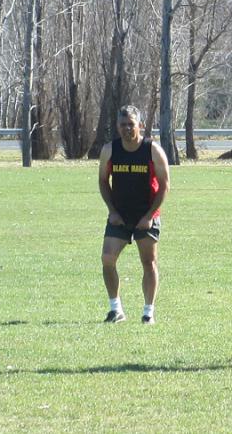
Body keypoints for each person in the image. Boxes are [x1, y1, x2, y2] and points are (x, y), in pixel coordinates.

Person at [98, 105, 170, 324]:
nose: (127, 129)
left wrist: (149, 216)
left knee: (149, 262)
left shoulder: (152, 150)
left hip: (146, 214)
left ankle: (148, 313)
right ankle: (115, 309)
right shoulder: (110, 150)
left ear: (140, 125)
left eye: (131, 124)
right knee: (107, 258)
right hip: (120, 215)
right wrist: (112, 211)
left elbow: (165, 185)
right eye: (123, 125)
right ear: (118, 127)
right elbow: (103, 180)